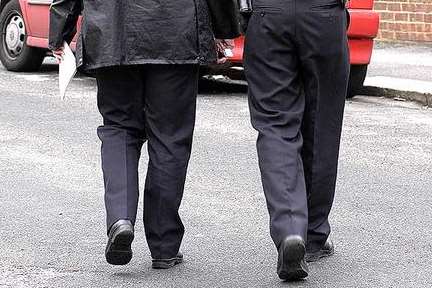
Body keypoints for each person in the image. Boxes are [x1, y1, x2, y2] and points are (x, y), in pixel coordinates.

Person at [49, 0, 240, 268]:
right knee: (170, 137)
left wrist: (60, 31)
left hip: (111, 32)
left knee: (118, 127)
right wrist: (223, 29)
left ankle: (120, 218)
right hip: (176, 31)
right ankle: (164, 246)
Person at [243, 0, 350, 281]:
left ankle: (291, 228)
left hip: (269, 13)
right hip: (324, 13)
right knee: (322, 124)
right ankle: (312, 234)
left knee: (275, 126)